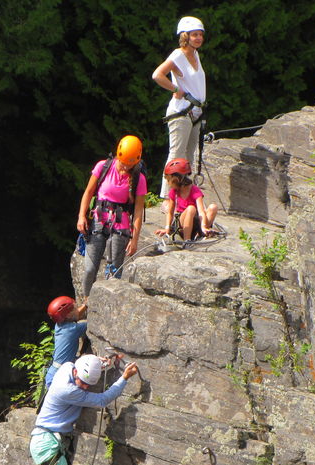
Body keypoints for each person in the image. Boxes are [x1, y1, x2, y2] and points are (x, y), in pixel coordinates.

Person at [30, 354, 139, 465]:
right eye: (82, 382)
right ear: (76, 372)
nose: (85, 387)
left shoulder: (68, 367)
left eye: (88, 384)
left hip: (48, 440)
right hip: (47, 443)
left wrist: (98, 365)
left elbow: (83, 366)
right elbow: (102, 400)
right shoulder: (67, 390)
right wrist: (124, 377)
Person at [77, 135, 147, 297]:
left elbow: (138, 212)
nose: (125, 168)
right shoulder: (103, 167)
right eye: (123, 164)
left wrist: (134, 239)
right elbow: (88, 193)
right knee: (89, 269)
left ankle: (106, 307)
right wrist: (81, 216)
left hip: (120, 227)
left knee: (113, 274)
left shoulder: (139, 178)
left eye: (130, 165)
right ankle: (87, 303)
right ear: (118, 156)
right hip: (98, 222)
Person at [152, 16, 206, 205]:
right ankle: (168, 198)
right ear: (186, 36)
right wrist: (177, 90)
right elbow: (157, 75)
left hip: (196, 113)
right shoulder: (178, 55)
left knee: (189, 157)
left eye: (200, 34)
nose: (198, 38)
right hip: (181, 112)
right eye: (194, 35)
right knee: (176, 155)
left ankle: (184, 197)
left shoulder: (196, 54)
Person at [154, 158, 218, 241]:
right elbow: (170, 212)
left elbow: (201, 211)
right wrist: (167, 228)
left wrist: (203, 226)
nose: (167, 183)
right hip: (181, 223)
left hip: (195, 221)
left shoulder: (194, 190)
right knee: (191, 208)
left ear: (176, 180)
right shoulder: (174, 192)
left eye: (168, 180)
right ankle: (187, 239)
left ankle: (203, 232)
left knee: (213, 207)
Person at [45, 296, 88, 388]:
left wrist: (85, 305)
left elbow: (75, 315)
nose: (77, 308)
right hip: (59, 375)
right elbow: (92, 323)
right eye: (75, 308)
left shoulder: (59, 325)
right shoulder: (72, 330)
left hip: (54, 372)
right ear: (68, 315)